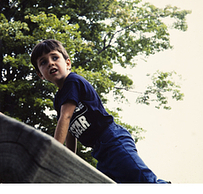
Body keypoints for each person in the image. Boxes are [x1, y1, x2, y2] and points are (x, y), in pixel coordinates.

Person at [31, 39, 170, 183]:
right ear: (40, 75)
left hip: (113, 140)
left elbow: (65, 118)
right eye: (43, 62)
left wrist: (54, 155)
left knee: (144, 182)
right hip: (100, 152)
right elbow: (70, 131)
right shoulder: (58, 100)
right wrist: (69, 160)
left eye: (55, 57)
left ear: (67, 63)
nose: (50, 63)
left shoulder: (72, 81)